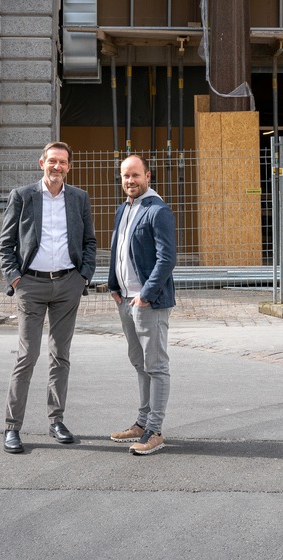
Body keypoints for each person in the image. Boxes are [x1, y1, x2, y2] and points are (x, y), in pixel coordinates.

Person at [0, 141, 97, 454]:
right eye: (52, 161)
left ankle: (56, 420)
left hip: (68, 285)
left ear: (69, 166)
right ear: (42, 163)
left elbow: (89, 241)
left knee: (61, 356)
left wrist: (83, 276)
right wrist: (16, 278)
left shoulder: (79, 198)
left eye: (63, 162)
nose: (57, 167)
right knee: (27, 356)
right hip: (32, 286)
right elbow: (6, 244)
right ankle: (13, 427)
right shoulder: (23, 196)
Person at [108, 154, 176, 456]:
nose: (130, 181)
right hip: (126, 299)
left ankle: (155, 430)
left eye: (135, 175)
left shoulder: (157, 210)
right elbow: (118, 249)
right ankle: (142, 421)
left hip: (149, 303)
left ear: (148, 176)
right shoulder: (123, 209)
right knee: (140, 364)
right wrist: (113, 284)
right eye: (125, 176)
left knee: (156, 366)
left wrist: (147, 294)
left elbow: (167, 258)